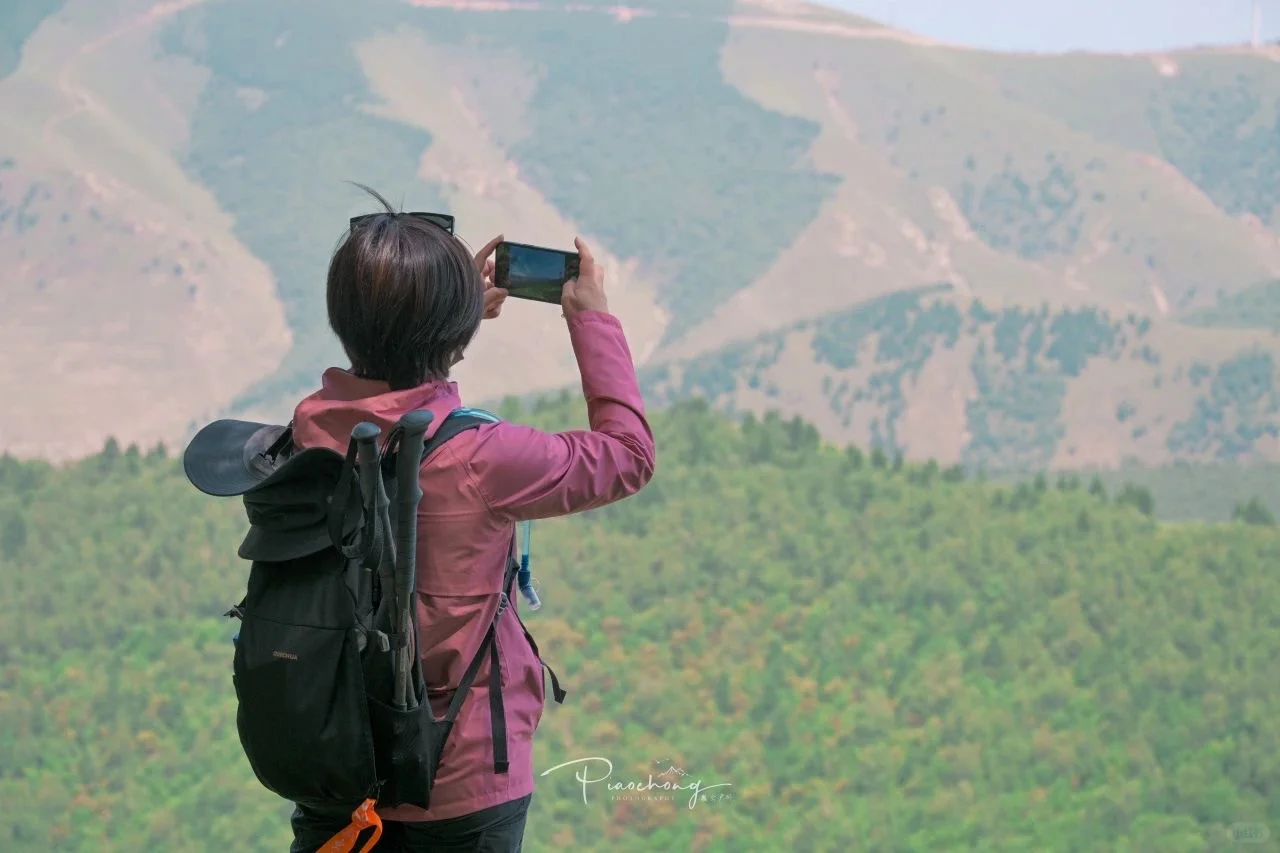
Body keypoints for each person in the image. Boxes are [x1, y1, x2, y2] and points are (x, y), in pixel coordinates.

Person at [284, 187, 656, 853]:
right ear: (452, 332)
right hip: (461, 788)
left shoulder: (307, 433)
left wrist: (449, 328)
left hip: (335, 773)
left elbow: (396, 406)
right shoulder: (489, 459)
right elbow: (627, 457)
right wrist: (592, 321)